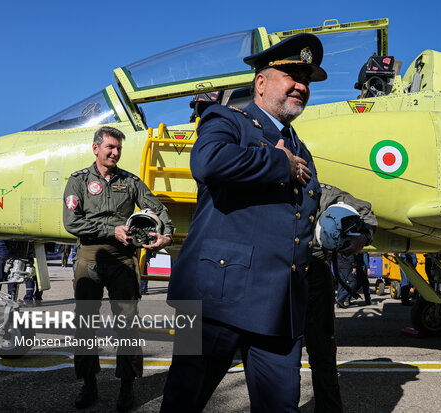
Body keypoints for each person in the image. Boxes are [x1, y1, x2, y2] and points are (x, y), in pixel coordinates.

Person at [161, 33, 327, 412]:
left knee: (280, 407)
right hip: (212, 299)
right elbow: (209, 162)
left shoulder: (301, 148)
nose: (301, 85)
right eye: (291, 75)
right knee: (182, 401)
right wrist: (277, 163)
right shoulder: (226, 119)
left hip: (277, 307)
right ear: (262, 82)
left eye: (306, 79)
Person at [63, 126, 174, 411]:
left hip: (123, 260)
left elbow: (158, 209)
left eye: (118, 149)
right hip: (90, 257)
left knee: (127, 324)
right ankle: (89, 386)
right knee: (85, 325)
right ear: (95, 148)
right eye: (110, 147)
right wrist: (111, 230)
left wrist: (167, 235)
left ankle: (127, 389)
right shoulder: (78, 181)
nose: (114, 153)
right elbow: (72, 223)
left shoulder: (131, 181)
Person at [305, 184, 377, 413]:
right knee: (279, 351)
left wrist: (363, 236)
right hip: (277, 274)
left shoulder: (320, 193)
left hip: (314, 272)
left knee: (323, 351)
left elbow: (365, 212)